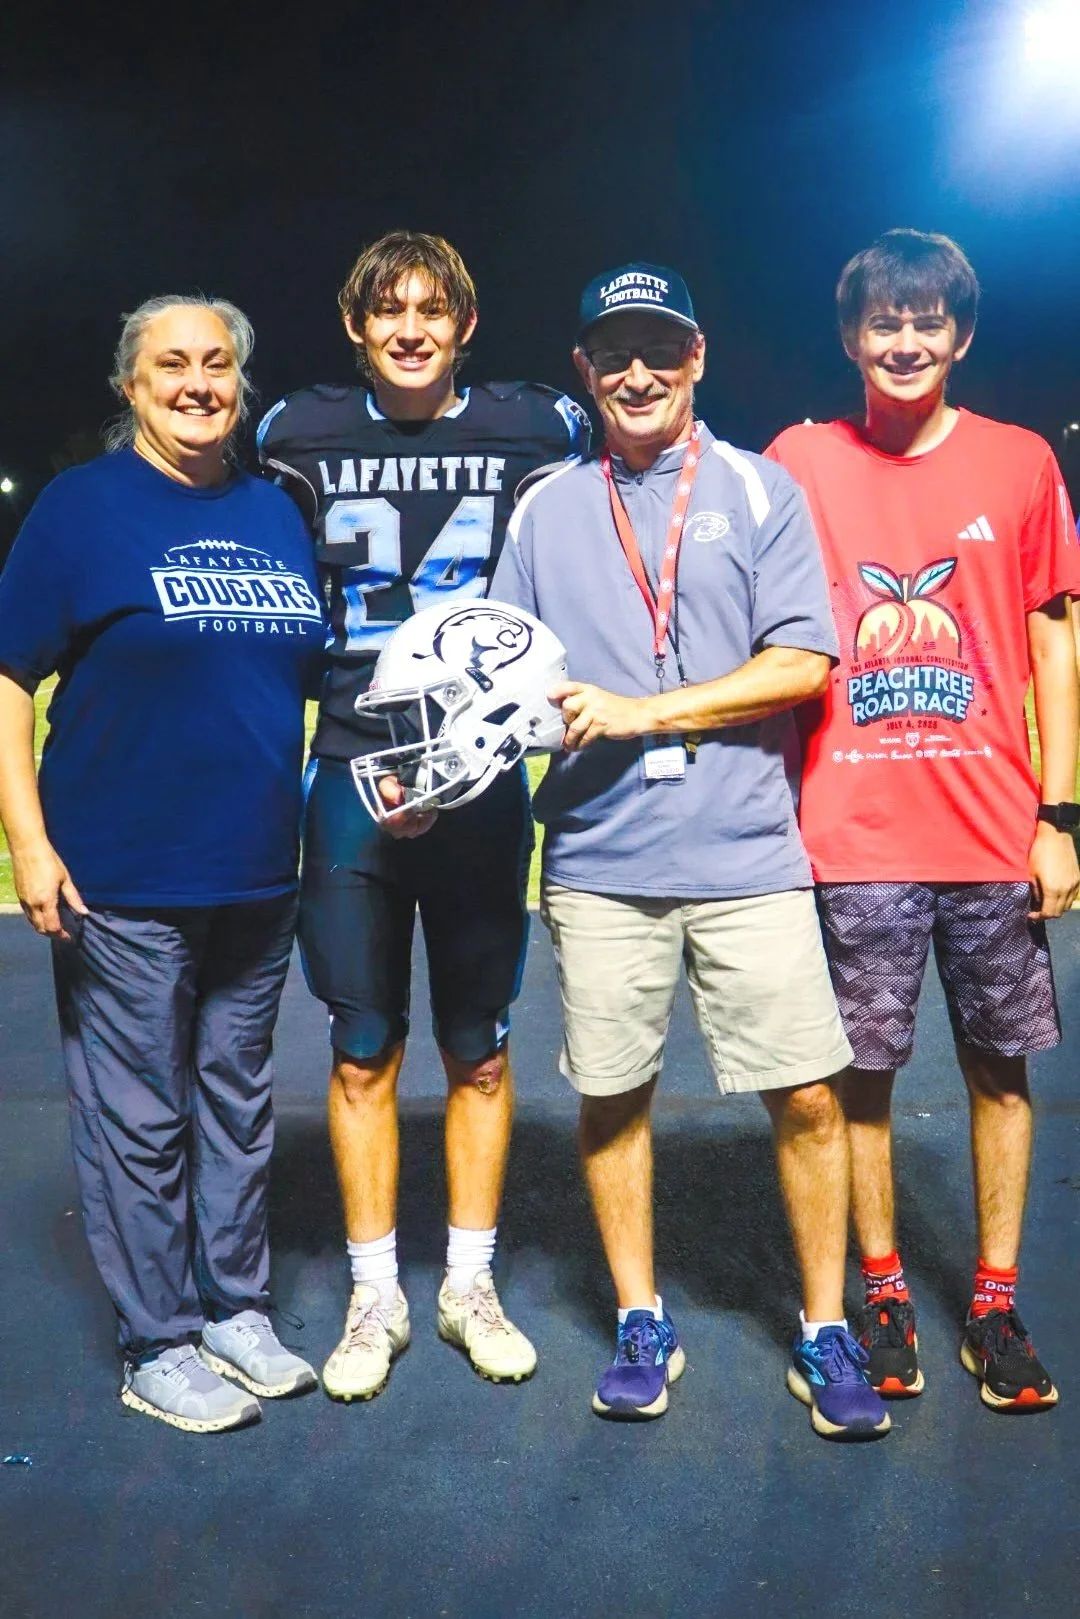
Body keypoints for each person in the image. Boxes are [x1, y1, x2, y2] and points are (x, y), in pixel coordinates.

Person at [491, 262, 889, 1438]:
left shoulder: (761, 490)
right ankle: (637, 1315)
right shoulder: (546, 507)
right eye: (613, 350)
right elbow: (511, 671)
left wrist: (642, 711)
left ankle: (823, 1329)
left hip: (746, 851)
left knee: (809, 1096)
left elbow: (804, 664)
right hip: (601, 859)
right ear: (584, 370)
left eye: (659, 347)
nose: (637, 371)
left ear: (697, 356)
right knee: (613, 1098)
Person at [257, 232, 590, 1399]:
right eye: (387, 309)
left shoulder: (536, 429)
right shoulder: (296, 433)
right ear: (355, 326)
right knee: (361, 1051)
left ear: (465, 322)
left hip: (484, 773)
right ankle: (373, 1291)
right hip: (353, 765)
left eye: (430, 308)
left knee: (480, 1051)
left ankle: (469, 1281)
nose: (409, 327)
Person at [766, 228, 1080, 1411]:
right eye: (883, 323)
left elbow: (1057, 631)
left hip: (993, 831)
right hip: (852, 833)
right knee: (862, 1079)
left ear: (959, 335)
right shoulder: (798, 455)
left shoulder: (1018, 460)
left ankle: (994, 1303)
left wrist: (1060, 812)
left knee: (1002, 1073)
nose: (906, 341)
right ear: (852, 337)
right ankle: (883, 1286)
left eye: (927, 321)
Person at [0, 296, 324, 1432]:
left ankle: (236, 1309)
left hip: (254, 875)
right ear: (130, 386)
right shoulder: (82, 510)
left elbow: (307, 682)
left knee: (238, 1107)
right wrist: (28, 840)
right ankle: (157, 1340)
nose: (198, 382)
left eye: (218, 362)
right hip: (123, 876)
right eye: (171, 364)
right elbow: (4, 678)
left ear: (242, 380)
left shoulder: (279, 510)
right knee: (138, 1118)